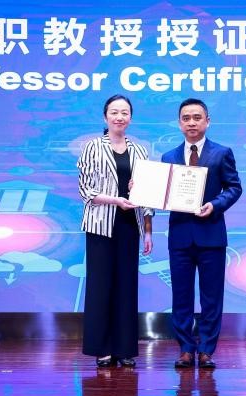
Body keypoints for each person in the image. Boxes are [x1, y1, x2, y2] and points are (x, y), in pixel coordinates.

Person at [162, 98, 242, 369]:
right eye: (186, 118)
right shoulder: (168, 157)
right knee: (181, 297)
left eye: (197, 117)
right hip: (180, 236)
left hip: (211, 235)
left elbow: (234, 188)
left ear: (208, 121)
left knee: (211, 297)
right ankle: (186, 349)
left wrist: (215, 205)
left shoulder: (222, 153)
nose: (192, 122)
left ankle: (207, 350)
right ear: (179, 123)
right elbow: (161, 193)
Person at [77, 94, 154, 368]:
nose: (119, 117)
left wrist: (148, 230)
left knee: (126, 287)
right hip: (100, 224)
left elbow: (148, 194)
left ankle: (124, 349)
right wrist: (116, 200)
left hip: (129, 225)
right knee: (100, 287)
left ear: (130, 117)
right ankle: (102, 348)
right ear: (105, 116)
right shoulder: (92, 147)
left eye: (124, 112)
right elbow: (85, 190)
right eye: (114, 112)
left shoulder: (140, 151)